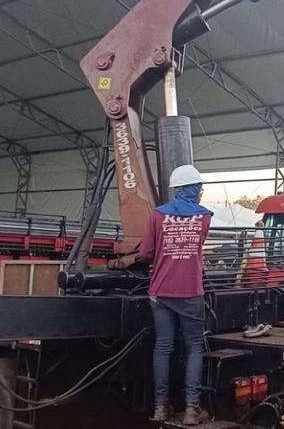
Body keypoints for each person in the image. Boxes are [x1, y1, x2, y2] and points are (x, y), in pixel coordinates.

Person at [116, 164, 213, 425]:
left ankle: (160, 407)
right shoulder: (205, 217)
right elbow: (196, 248)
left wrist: (129, 259)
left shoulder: (158, 215)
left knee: (163, 347)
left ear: (177, 189)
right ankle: (192, 409)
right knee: (194, 348)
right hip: (190, 293)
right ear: (195, 190)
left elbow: (146, 253)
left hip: (161, 292)